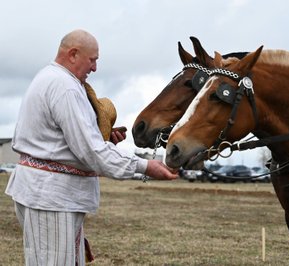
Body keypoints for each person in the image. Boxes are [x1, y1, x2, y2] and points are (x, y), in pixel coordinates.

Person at [5, 29, 178, 265]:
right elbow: (90, 150)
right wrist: (145, 166)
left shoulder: (55, 79)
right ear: (73, 54)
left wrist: (103, 139)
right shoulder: (64, 86)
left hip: (50, 196)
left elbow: (70, 142)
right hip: (51, 198)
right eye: (93, 60)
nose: (95, 68)